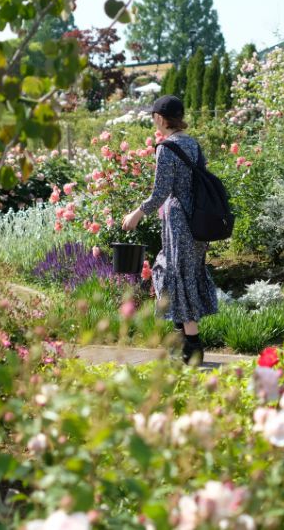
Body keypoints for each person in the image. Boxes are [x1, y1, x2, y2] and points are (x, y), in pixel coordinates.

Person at [122, 95, 218, 365]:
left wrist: (136, 214)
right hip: (198, 222)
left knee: (178, 275)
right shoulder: (193, 144)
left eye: (154, 116)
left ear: (161, 119)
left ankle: (193, 348)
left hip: (179, 224)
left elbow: (161, 192)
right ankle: (182, 341)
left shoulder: (166, 148)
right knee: (177, 272)